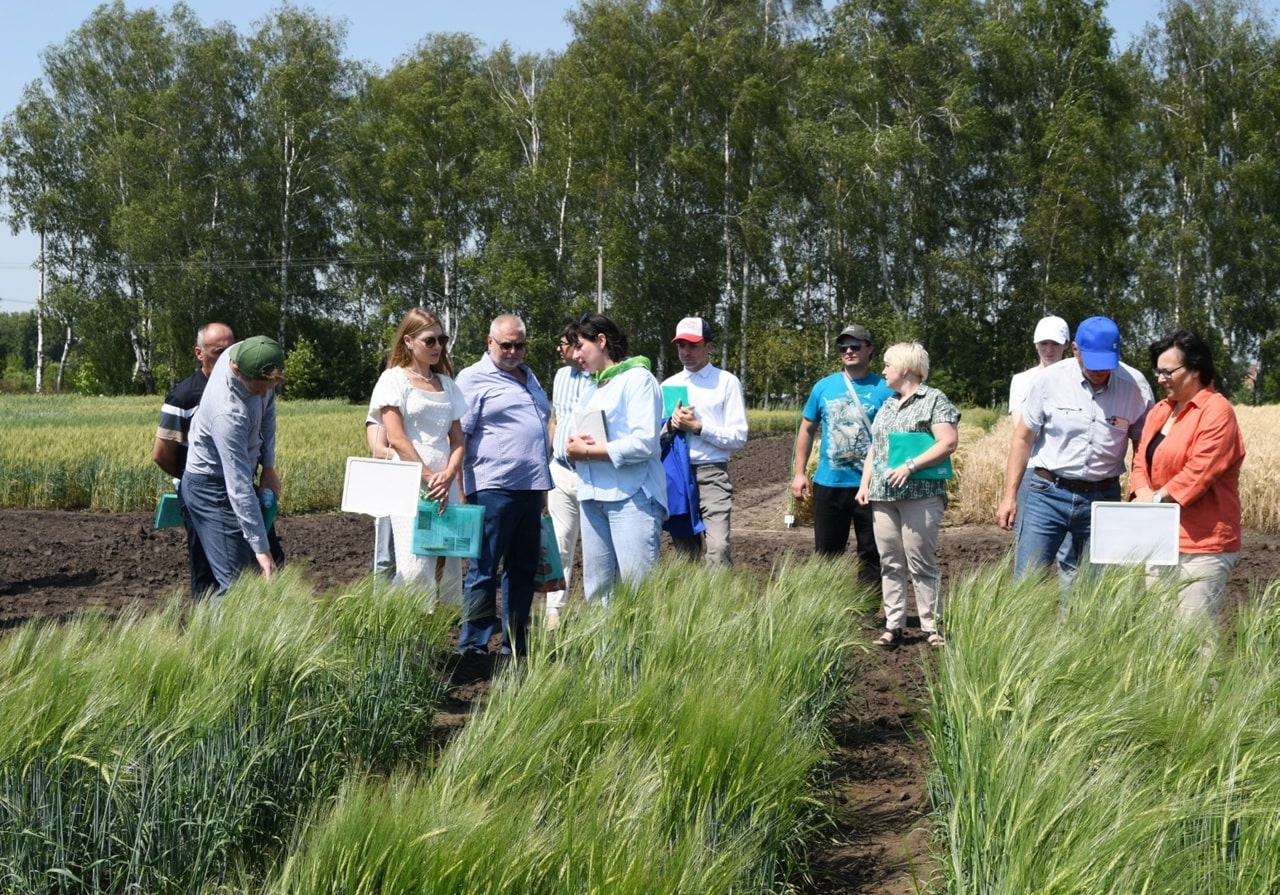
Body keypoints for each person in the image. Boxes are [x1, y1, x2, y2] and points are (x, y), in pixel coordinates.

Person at [997, 316, 1152, 581]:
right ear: (1075, 349)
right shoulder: (1049, 381)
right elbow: (1023, 438)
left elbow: (1144, 446)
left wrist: (1141, 491)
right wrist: (1010, 496)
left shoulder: (1135, 387)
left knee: (1094, 590)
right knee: (1027, 581)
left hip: (1103, 498)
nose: (1099, 371)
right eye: (1093, 363)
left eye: (1106, 364)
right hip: (1046, 494)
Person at [1130, 330, 1245, 622]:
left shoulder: (1217, 412)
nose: (1160, 378)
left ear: (1194, 370)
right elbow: (1141, 460)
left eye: (1167, 371)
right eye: (1157, 371)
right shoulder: (1160, 411)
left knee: (1193, 636)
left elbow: (1199, 472)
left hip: (1203, 544)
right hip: (1159, 538)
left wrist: (1154, 498)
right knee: (1157, 632)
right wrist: (1142, 492)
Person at [455, 315, 553, 657]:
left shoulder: (530, 376)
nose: (513, 351)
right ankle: (473, 646)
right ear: (490, 342)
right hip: (492, 487)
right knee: (484, 569)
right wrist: (463, 489)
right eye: (506, 345)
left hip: (531, 488)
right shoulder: (472, 378)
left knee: (523, 569)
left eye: (519, 345)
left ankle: (515, 643)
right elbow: (459, 436)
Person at [856, 343, 960, 647]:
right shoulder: (888, 404)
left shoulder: (934, 400)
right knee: (890, 560)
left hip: (921, 494)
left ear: (905, 368)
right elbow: (876, 448)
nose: (883, 370)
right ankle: (894, 624)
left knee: (920, 560)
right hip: (883, 495)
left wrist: (910, 466)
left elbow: (947, 442)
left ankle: (931, 626)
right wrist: (865, 484)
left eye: (888, 365)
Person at [565, 313, 668, 603]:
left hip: (631, 498)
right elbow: (577, 438)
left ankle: (639, 651)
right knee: (598, 591)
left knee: (636, 591)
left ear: (601, 341)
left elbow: (643, 443)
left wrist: (588, 451)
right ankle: (605, 651)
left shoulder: (638, 379)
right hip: (592, 497)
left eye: (580, 346)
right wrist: (572, 449)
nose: (576, 355)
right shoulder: (590, 388)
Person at [369, 308, 467, 608]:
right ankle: (404, 633)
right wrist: (427, 476)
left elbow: (459, 440)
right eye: (430, 340)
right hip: (409, 483)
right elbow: (396, 437)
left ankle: (435, 641)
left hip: (443, 485)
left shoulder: (448, 385)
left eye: (442, 339)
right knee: (413, 566)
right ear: (409, 341)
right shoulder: (393, 380)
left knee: (446, 563)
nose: (438, 346)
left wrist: (449, 474)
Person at [181, 335, 286, 599]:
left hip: (237, 477)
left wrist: (268, 467)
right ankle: (219, 640)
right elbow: (238, 486)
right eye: (257, 388)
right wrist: (260, 550)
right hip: (211, 487)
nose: (263, 394)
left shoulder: (251, 355)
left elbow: (268, 412)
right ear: (236, 369)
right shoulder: (227, 413)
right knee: (237, 584)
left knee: (262, 573)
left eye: (269, 386)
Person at [790, 324, 896, 585]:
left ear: (869, 349)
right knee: (826, 554)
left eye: (855, 346)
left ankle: (867, 614)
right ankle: (828, 610)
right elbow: (806, 428)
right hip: (829, 484)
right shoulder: (824, 387)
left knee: (872, 552)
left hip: (871, 486)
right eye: (843, 346)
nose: (849, 351)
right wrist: (800, 473)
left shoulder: (884, 389)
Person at [153, 322, 235, 597]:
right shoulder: (184, 396)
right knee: (206, 570)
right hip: (202, 497)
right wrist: (194, 482)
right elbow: (162, 454)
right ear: (199, 354)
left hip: (239, 492)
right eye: (217, 351)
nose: (225, 357)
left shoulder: (243, 389)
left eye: (230, 350)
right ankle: (206, 632)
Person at [662, 316, 748, 565]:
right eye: (681, 346)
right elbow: (655, 437)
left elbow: (738, 437)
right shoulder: (668, 385)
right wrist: (670, 425)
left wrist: (699, 428)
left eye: (693, 345)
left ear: (709, 347)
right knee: (684, 552)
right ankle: (693, 603)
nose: (686, 352)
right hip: (677, 474)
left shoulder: (726, 382)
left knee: (719, 548)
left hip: (712, 474)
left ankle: (720, 601)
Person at [545, 318, 594, 629]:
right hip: (560, 471)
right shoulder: (560, 376)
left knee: (594, 545)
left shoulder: (602, 376)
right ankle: (554, 611)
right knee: (560, 542)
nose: (559, 350)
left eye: (563, 344)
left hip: (592, 472)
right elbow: (556, 417)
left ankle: (598, 608)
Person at [364, 415, 396, 580]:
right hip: (391, 486)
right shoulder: (384, 399)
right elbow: (378, 450)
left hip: (427, 484)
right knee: (386, 554)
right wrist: (416, 457)